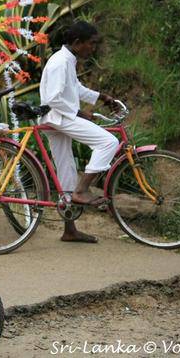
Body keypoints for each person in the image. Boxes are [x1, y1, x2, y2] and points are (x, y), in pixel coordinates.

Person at [39, 21, 119, 244]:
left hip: (58, 118)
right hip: (59, 117)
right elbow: (54, 98)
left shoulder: (66, 60)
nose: (92, 48)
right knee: (108, 142)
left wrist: (102, 97)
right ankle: (82, 190)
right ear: (77, 43)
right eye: (91, 44)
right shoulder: (60, 62)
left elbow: (75, 89)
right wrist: (79, 112)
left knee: (66, 169)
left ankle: (69, 230)